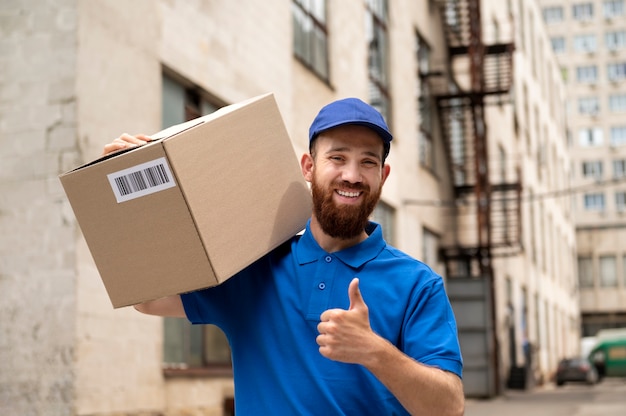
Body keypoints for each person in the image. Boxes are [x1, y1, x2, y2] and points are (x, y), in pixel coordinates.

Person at [104, 98, 464, 415]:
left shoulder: (418, 284)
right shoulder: (253, 266)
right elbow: (147, 300)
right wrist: (138, 192)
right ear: (308, 167)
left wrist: (374, 352)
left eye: (367, 162)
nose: (352, 176)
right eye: (337, 157)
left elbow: (449, 408)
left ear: (382, 176)